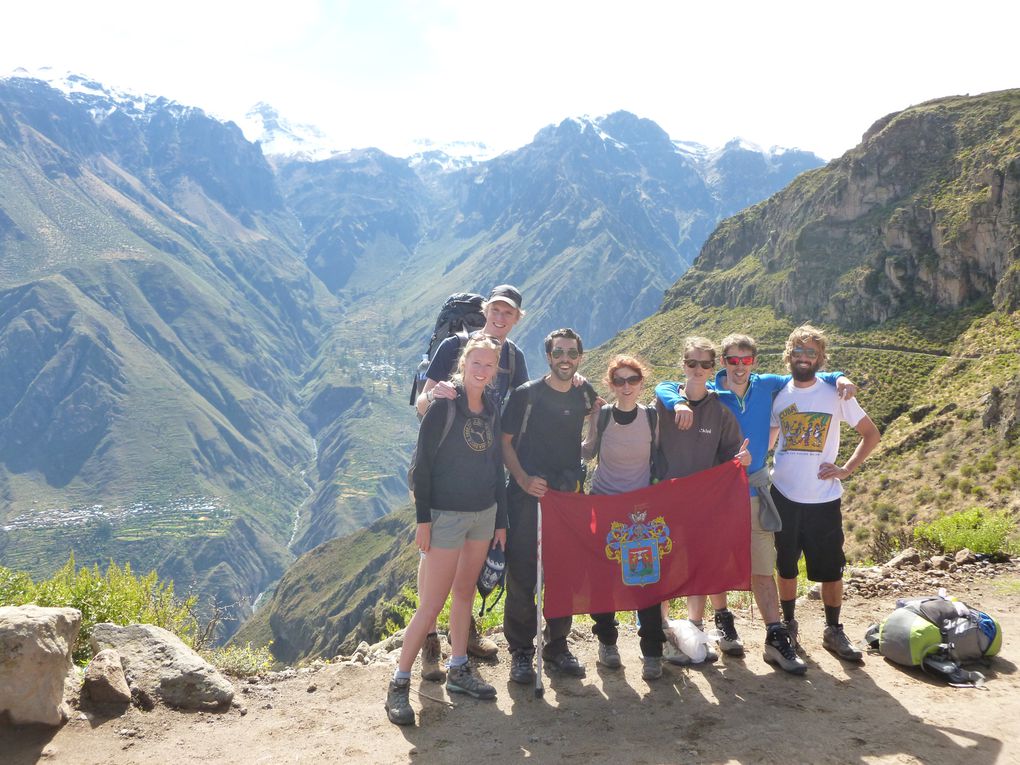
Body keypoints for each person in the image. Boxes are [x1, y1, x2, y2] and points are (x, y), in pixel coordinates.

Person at [655, 333, 857, 674]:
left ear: (755, 362)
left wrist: (840, 377)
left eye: (745, 360)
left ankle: (774, 637)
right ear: (723, 363)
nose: (738, 367)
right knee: (714, 560)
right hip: (717, 492)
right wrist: (677, 401)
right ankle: (721, 621)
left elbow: (808, 373)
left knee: (763, 566)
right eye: (731, 360)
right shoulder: (712, 392)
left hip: (753, 489)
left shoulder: (768, 385)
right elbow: (669, 385)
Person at [386, 336, 509, 726]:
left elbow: (496, 468)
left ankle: (459, 669)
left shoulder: (491, 407)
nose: (482, 370)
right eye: (477, 362)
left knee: (464, 594)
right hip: (445, 517)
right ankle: (399, 683)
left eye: (489, 365)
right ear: (464, 362)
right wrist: (423, 520)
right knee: (431, 605)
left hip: (482, 514)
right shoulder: (444, 406)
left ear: (494, 372)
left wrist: (500, 521)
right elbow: (423, 466)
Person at [413, 284, 527, 673]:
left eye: (508, 312)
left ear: (516, 319)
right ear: (485, 310)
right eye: (495, 309)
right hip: (443, 468)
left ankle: (462, 634)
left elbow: (520, 410)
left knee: (468, 561)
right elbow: (420, 405)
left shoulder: (514, 358)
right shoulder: (453, 348)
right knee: (433, 556)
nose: (500, 317)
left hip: (483, 470)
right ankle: (429, 640)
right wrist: (437, 394)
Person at [638, 337, 750, 680]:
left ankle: (695, 629)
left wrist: (742, 461)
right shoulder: (664, 403)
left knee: (696, 566)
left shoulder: (720, 411)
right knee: (662, 569)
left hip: (703, 505)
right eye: (692, 364)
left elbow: (732, 453)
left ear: (712, 368)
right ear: (683, 365)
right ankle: (664, 634)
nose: (698, 370)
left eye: (704, 365)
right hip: (664, 502)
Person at [769, 325, 880, 662]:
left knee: (831, 569)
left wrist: (846, 469)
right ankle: (788, 624)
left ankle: (833, 629)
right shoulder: (778, 393)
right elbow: (772, 436)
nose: (804, 358)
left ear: (820, 358)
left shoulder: (836, 393)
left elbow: (871, 434)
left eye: (811, 353)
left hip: (823, 499)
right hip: (783, 494)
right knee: (785, 565)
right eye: (798, 352)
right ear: (789, 355)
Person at [501, 328, 598, 683]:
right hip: (528, 497)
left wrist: (591, 444)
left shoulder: (583, 392)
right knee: (524, 574)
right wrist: (524, 479)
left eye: (571, 353)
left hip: (567, 497)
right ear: (548, 356)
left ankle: (557, 646)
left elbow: (594, 414)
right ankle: (522, 653)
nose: (565, 359)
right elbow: (505, 443)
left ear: (580, 357)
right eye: (559, 353)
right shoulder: (527, 395)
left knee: (562, 574)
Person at [579, 355, 656, 671]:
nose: (626, 386)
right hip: (604, 503)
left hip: (639, 511)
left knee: (645, 578)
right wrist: (581, 422)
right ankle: (607, 642)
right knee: (604, 576)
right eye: (620, 381)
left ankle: (652, 649)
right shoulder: (604, 416)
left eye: (632, 380)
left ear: (641, 383)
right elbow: (586, 451)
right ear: (611, 385)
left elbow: (662, 458)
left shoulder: (652, 417)